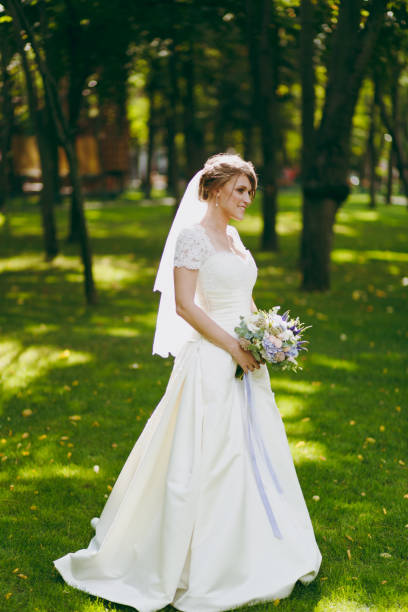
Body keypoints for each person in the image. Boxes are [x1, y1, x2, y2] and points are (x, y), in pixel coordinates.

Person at [54, 153, 322, 611]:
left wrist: (266, 335)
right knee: (204, 459)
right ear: (215, 189)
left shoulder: (234, 238)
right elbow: (185, 306)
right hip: (210, 363)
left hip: (246, 361)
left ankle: (255, 545)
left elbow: (244, 295)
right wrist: (234, 346)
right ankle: (192, 556)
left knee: (253, 450)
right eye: (239, 189)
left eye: (250, 192)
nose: (246, 199)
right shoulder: (192, 238)